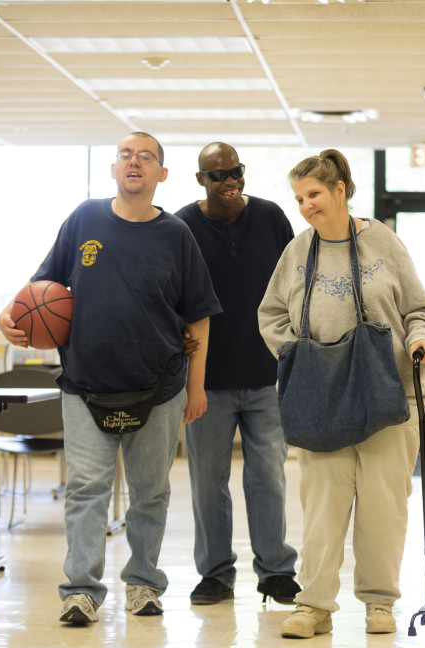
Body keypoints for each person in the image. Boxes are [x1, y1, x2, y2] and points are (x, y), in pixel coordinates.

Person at [0, 132, 222, 624]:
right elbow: (42, 284)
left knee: (151, 491)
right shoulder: (84, 219)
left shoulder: (176, 235)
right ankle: (80, 590)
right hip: (85, 383)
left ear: (162, 174)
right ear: (114, 169)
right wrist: (6, 316)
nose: (133, 162)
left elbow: (199, 316)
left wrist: (198, 385)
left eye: (146, 156)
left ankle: (143, 584)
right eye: (125, 155)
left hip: (159, 386)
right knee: (86, 488)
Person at [258, 149, 425, 638]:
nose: (306, 206)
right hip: (320, 397)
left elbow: (423, 310)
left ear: (341, 190)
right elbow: (271, 314)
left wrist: (423, 339)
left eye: (314, 194)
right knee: (322, 504)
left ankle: (379, 602)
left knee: (385, 504)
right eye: (299, 198)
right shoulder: (297, 251)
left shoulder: (384, 243)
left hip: (390, 395)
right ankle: (314, 603)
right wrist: (293, 354)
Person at [174, 142, 301, 606]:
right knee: (208, 481)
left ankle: (275, 572)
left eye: (235, 173)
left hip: (269, 374)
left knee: (268, 475)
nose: (229, 182)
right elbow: (172, 295)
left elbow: (297, 282)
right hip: (207, 380)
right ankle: (215, 574)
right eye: (217, 176)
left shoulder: (270, 217)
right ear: (200, 180)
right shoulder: (182, 225)